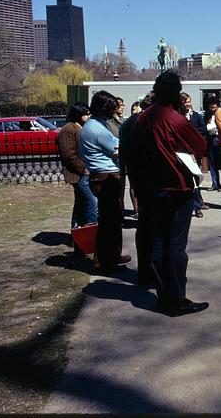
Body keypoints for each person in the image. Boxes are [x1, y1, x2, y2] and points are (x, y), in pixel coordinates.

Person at [132, 70, 209, 316]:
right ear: (176, 93)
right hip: (176, 187)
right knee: (175, 244)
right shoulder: (175, 119)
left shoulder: (143, 118)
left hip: (152, 186)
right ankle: (176, 299)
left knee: (157, 240)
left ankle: (163, 294)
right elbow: (200, 145)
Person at [80, 90, 129, 274]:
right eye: (111, 108)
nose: (114, 111)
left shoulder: (93, 125)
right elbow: (117, 148)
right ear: (104, 108)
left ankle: (112, 257)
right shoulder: (98, 129)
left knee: (112, 220)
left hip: (101, 175)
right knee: (109, 222)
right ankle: (104, 262)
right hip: (105, 176)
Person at [120, 92, 154, 286]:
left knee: (144, 226)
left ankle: (144, 272)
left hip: (136, 174)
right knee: (154, 228)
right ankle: (151, 273)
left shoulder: (128, 123)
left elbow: (123, 149)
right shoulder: (148, 122)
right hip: (151, 176)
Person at [57, 102, 98, 231]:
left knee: (80, 203)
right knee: (91, 202)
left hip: (85, 171)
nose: (89, 116)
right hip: (77, 173)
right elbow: (69, 155)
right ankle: (90, 231)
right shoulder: (68, 129)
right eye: (86, 114)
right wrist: (83, 169)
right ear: (78, 114)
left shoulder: (80, 127)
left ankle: (78, 231)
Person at [180, 92, 208, 218]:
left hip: (194, 151)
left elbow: (203, 129)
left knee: (195, 179)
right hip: (181, 152)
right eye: (185, 102)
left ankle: (197, 207)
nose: (188, 104)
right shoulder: (178, 116)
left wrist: (192, 131)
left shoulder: (196, 116)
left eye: (189, 101)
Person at [203, 97, 221, 191]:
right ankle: (215, 183)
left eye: (214, 107)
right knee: (212, 163)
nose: (212, 109)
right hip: (211, 139)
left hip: (220, 138)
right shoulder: (207, 115)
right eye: (210, 108)